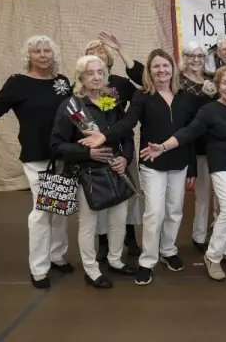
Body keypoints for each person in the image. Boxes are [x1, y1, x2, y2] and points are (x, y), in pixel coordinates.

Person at [87, 49, 197, 286]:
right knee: (154, 212)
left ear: (173, 69)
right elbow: (127, 123)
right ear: (149, 71)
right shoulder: (143, 96)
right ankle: (148, 260)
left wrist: (194, 168)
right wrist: (104, 137)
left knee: (175, 210)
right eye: (156, 66)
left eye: (165, 66)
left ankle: (168, 250)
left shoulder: (186, 97)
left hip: (180, 163)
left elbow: (191, 134)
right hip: (152, 163)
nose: (161, 70)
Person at [137, 65, 226, 282]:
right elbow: (188, 132)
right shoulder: (209, 110)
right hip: (222, 165)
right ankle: (213, 256)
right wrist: (163, 147)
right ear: (218, 86)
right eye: (225, 83)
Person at [0, 35, 74, 288]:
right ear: (29, 56)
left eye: (47, 50)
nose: (43, 55)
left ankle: (57, 255)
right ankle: (39, 268)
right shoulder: (17, 83)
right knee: (43, 210)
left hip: (63, 155)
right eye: (37, 51)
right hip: (36, 156)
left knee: (59, 208)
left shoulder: (62, 82)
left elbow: (75, 114)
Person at [50, 54, 135, 288]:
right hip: (86, 173)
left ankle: (115, 260)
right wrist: (87, 153)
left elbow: (126, 135)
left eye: (100, 72)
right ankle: (91, 269)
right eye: (90, 73)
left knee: (119, 219)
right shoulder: (72, 107)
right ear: (80, 77)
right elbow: (57, 146)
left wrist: (125, 158)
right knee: (88, 224)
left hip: (115, 170)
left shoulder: (110, 101)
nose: (96, 77)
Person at [82, 34, 143, 259]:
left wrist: (121, 49)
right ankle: (104, 241)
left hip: (122, 147)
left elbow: (145, 82)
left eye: (101, 52)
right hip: (96, 151)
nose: (97, 56)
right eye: (91, 53)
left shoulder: (119, 83)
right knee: (99, 194)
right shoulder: (78, 88)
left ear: (108, 58)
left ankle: (130, 236)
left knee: (128, 193)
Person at [178, 41, 218, 251]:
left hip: (216, 144)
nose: (195, 60)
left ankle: (221, 237)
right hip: (193, 145)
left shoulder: (213, 80)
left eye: (200, 56)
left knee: (220, 197)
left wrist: (216, 93)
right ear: (184, 57)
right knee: (202, 195)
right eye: (191, 56)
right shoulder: (178, 81)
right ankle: (199, 237)